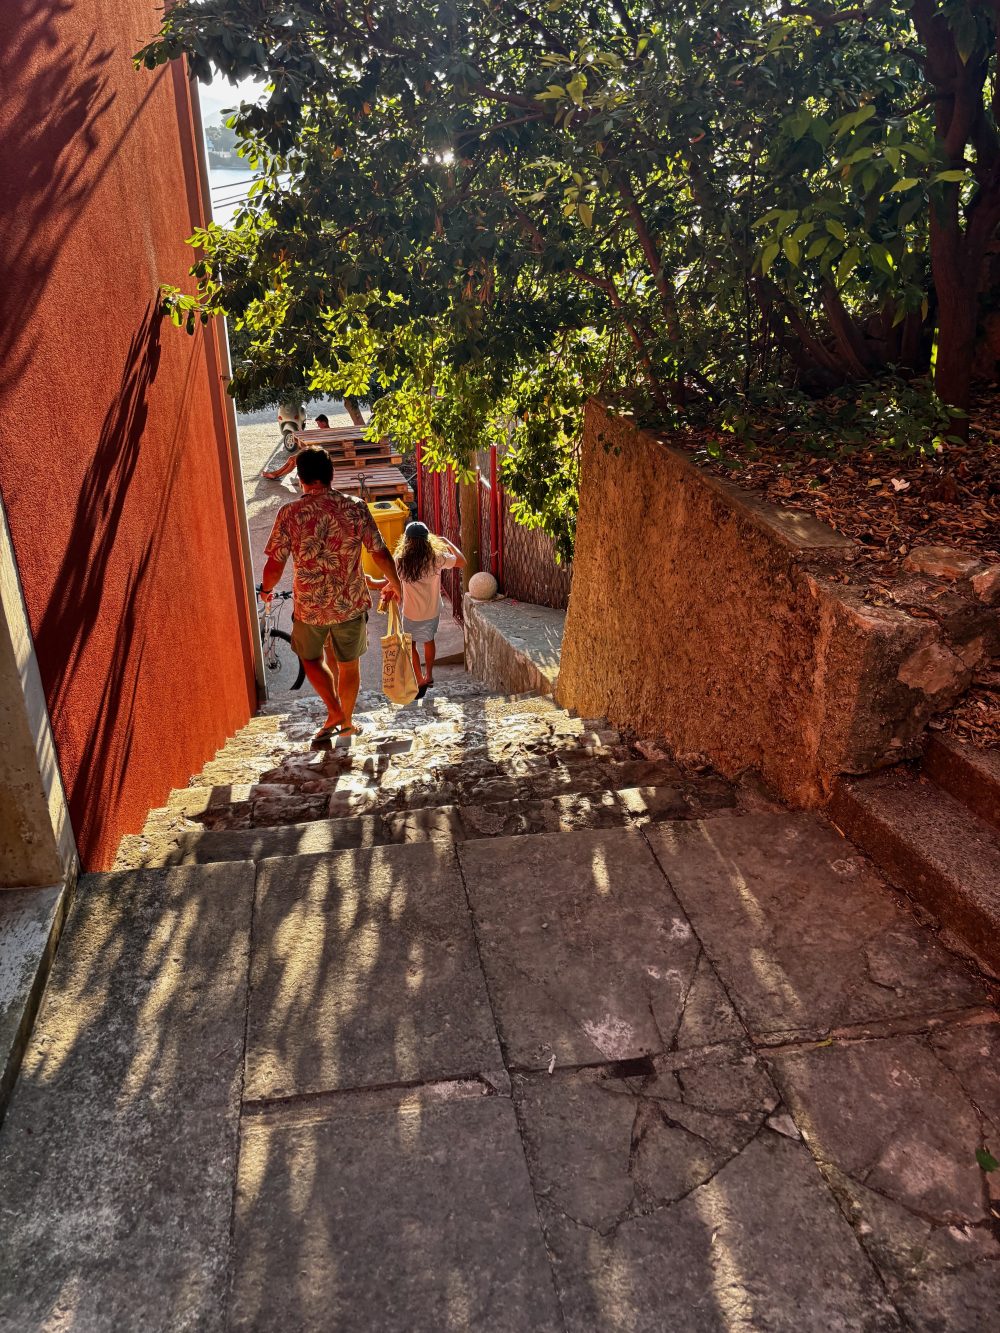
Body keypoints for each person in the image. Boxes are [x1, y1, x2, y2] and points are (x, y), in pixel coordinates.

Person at [260, 447, 401, 742]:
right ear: (331, 475)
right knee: (349, 666)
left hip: (310, 607)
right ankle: (346, 721)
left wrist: (267, 591)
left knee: (310, 659)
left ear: (300, 479)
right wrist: (395, 583)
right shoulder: (355, 507)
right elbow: (379, 551)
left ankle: (334, 710)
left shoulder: (290, 513)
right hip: (349, 604)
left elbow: (275, 564)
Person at [393, 521, 465, 698]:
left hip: (410, 611)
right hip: (432, 610)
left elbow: (394, 581)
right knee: (428, 640)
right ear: (427, 539)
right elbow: (462, 562)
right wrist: (448, 542)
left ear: (407, 540)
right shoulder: (436, 557)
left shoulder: (400, 560)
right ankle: (430, 674)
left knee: (411, 645)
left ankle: (419, 678)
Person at [261, 413, 331, 481]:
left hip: (317, 455)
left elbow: (313, 447)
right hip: (315, 453)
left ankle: (276, 475)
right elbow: (312, 446)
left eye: (319, 424)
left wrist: (299, 442)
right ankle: (275, 474)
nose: (318, 426)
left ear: (324, 423)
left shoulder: (324, 433)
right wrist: (299, 442)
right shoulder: (326, 432)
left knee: (294, 461)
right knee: (291, 458)